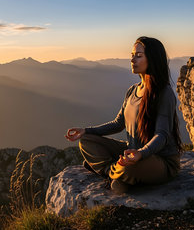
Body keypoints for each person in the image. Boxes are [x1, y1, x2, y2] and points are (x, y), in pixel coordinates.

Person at [64, 36, 182, 194]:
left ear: (153, 59)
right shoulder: (132, 91)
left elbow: (162, 135)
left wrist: (141, 154)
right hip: (133, 152)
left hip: (159, 161)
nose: (133, 59)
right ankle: (117, 174)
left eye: (139, 56)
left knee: (130, 167)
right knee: (86, 142)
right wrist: (86, 131)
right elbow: (118, 123)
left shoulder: (163, 93)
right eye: (132, 55)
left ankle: (115, 173)